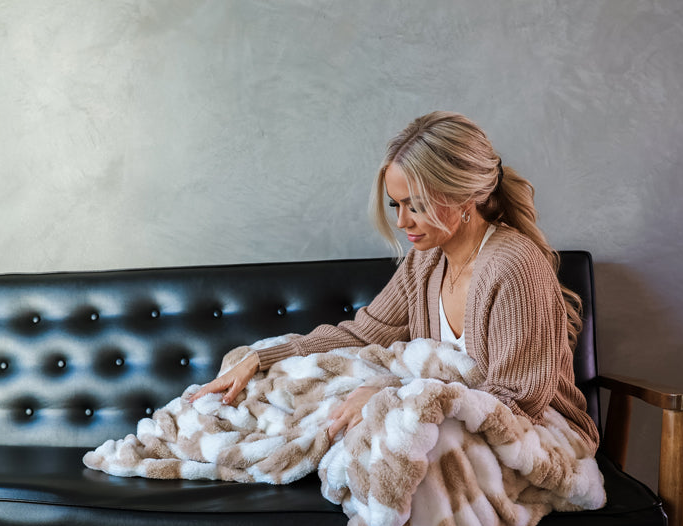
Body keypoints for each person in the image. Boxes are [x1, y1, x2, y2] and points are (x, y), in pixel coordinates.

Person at [184, 111, 598, 445]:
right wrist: (261, 358)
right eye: (395, 204)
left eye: (415, 205)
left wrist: (393, 399)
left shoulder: (513, 265)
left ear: (464, 197)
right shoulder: (426, 261)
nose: (402, 222)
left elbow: (518, 401)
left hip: (536, 433)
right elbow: (364, 334)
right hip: (455, 421)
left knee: (387, 437)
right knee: (294, 402)